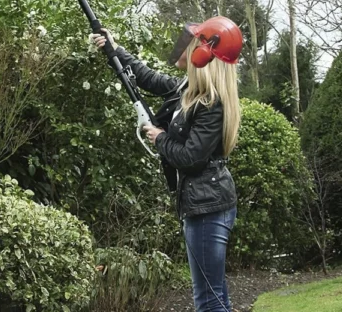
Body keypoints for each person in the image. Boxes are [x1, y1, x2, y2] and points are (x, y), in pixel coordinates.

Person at [90, 17, 242, 312]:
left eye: (193, 42)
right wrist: (115, 49)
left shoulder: (211, 103)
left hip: (207, 208)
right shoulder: (189, 90)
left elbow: (191, 159)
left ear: (203, 53)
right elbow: (148, 78)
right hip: (204, 203)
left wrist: (159, 137)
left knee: (208, 301)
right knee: (216, 295)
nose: (185, 46)